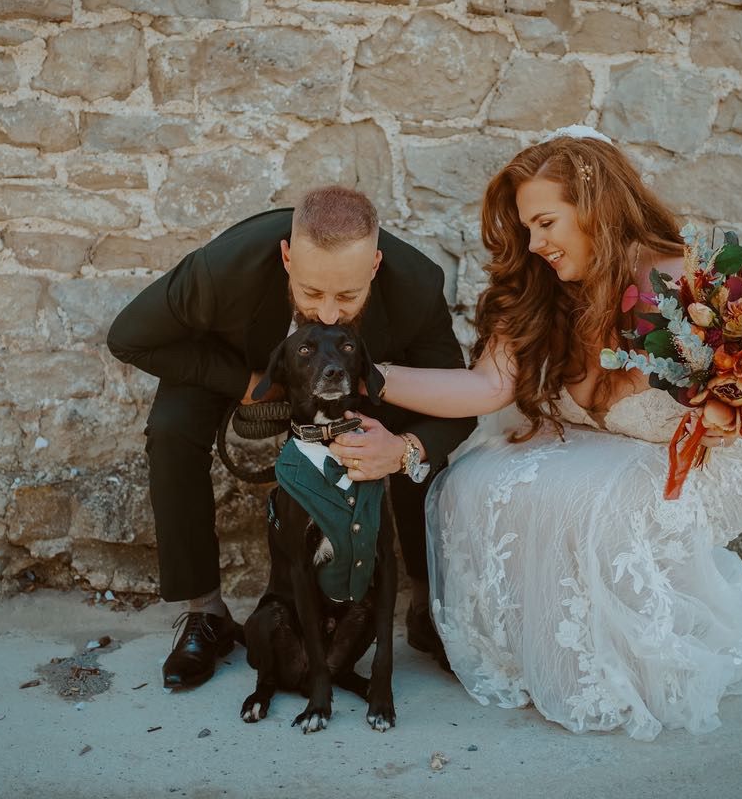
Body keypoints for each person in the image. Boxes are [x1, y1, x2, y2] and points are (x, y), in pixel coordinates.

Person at [354, 127, 742, 740]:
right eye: (527, 228)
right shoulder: (543, 291)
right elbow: (486, 387)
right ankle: (526, 653)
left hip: (698, 463)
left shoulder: (686, 287)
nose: (535, 245)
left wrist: (733, 415)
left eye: (545, 223)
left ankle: (612, 666)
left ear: (594, 208)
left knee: (593, 503)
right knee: (471, 482)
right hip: (603, 445)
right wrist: (367, 375)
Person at [107, 186, 475, 690]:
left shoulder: (416, 284)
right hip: (237, 365)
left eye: (347, 297)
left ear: (374, 266)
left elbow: (458, 403)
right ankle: (205, 613)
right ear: (286, 257)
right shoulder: (221, 270)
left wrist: (402, 449)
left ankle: (425, 604)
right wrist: (246, 383)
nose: (328, 314)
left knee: (416, 432)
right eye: (311, 293)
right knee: (171, 429)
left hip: (354, 379)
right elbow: (128, 336)